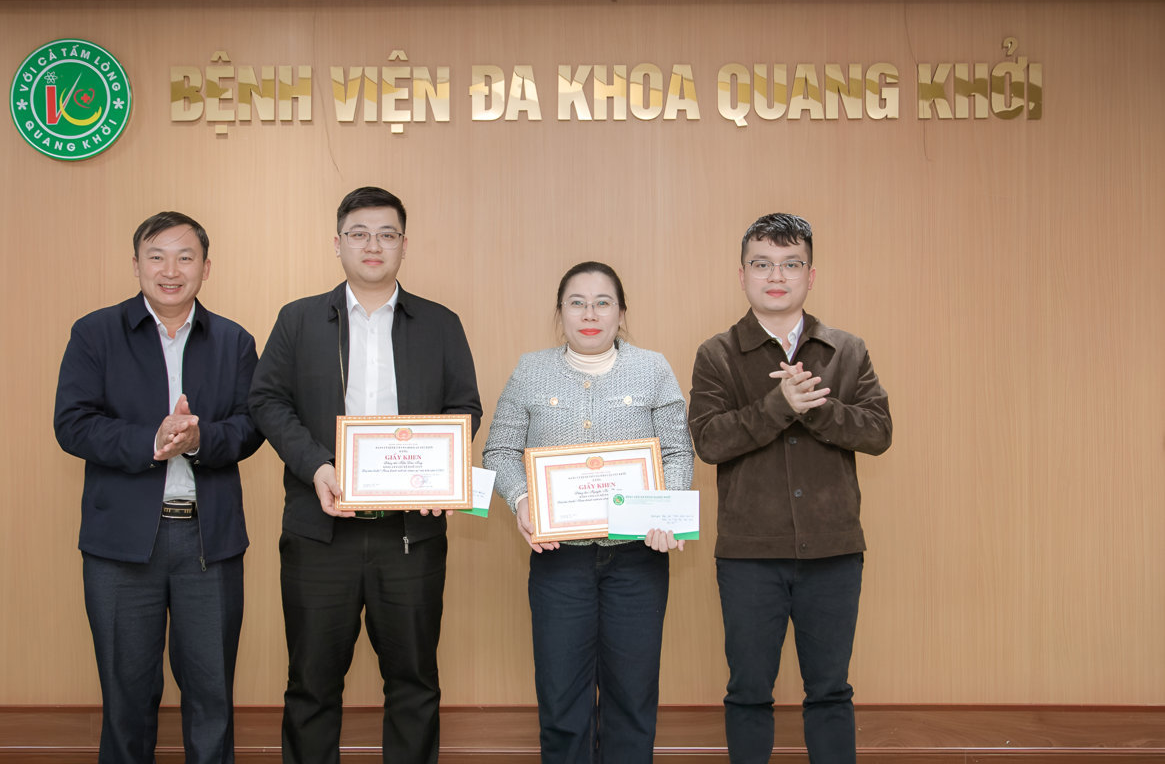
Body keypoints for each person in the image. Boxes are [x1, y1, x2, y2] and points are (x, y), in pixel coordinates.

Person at [247, 186, 482, 764]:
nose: (372, 245)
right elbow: (267, 400)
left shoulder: (440, 323)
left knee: (414, 682)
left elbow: (464, 407)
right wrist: (316, 465)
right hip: (319, 532)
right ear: (337, 243)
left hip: (410, 536)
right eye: (359, 234)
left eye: (386, 234)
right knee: (311, 684)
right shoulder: (299, 319)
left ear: (404, 244)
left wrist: (440, 473)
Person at [53, 211, 264, 764]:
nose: (171, 270)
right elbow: (72, 424)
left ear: (206, 267)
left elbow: (251, 427)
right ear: (136, 264)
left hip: (208, 543)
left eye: (185, 257)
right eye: (157, 256)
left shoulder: (235, 341)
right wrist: (152, 439)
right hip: (121, 546)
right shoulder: (95, 333)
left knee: (212, 697)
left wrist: (198, 438)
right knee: (126, 699)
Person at [688, 213, 892, 763]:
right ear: (742, 275)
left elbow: (878, 432)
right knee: (748, 692)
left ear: (811, 275)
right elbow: (708, 441)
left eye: (790, 264)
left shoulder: (847, 350)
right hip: (749, 556)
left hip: (834, 550)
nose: (776, 276)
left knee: (831, 692)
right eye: (762, 264)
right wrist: (778, 406)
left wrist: (815, 409)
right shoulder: (717, 354)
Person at [481, 261, 694, 764]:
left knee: (632, 697)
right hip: (560, 560)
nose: (590, 314)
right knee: (561, 700)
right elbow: (499, 450)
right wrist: (522, 500)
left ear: (622, 312)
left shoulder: (653, 368)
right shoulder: (530, 370)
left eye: (603, 303)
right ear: (560, 313)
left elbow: (678, 452)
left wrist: (667, 511)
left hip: (638, 560)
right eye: (577, 303)